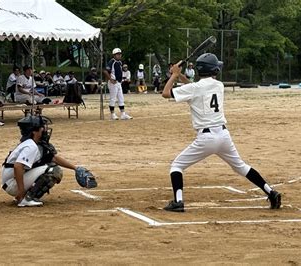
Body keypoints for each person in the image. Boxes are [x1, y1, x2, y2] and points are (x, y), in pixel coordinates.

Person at [161, 53, 282, 212]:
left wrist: (174, 75)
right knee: (241, 167)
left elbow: (165, 93)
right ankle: (271, 192)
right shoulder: (219, 85)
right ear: (213, 69)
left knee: (177, 166)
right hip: (223, 136)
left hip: (206, 138)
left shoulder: (195, 88)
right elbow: (193, 87)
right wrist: (180, 75)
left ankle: (178, 202)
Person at [0, 115, 97, 207]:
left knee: (50, 164)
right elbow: (18, 166)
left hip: (12, 181)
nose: (45, 129)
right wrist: (20, 191)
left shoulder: (35, 144)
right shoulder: (30, 146)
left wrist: (75, 168)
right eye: (42, 127)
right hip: (12, 183)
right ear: (34, 131)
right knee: (53, 170)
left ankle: (23, 197)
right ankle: (26, 199)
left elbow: (53, 158)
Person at [103, 48, 133, 120]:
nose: (119, 55)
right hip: (113, 82)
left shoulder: (119, 62)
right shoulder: (112, 62)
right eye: (117, 54)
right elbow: (105, 71)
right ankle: (112, 114)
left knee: (121, 98)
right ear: (114, 55)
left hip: (119, 82)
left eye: (120, 54)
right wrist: (110, 79)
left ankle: (123, 114)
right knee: (113, 98)